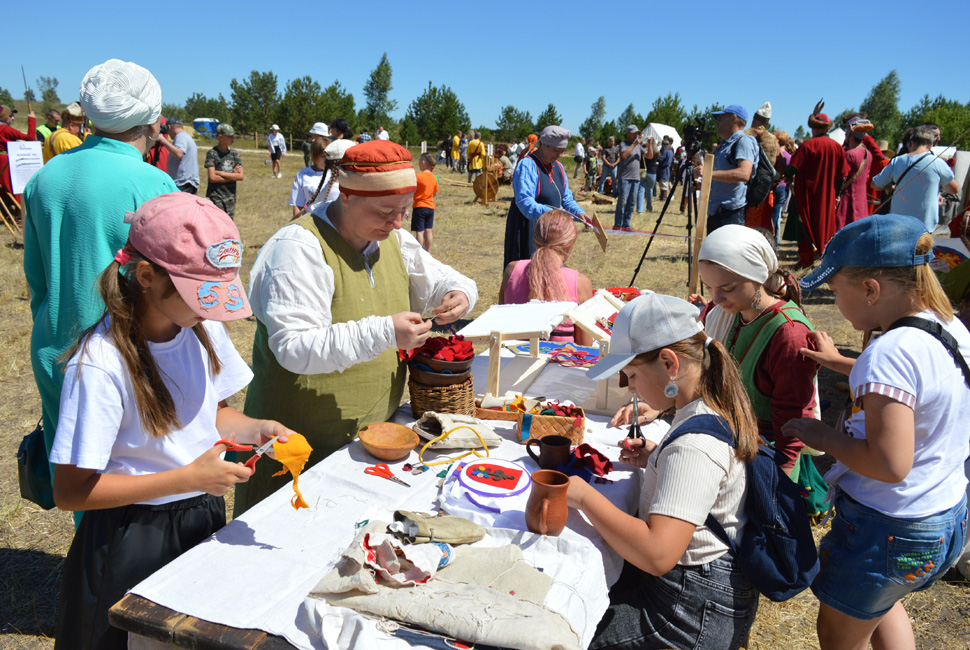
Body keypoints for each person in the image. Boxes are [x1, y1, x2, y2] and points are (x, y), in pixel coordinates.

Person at [50, 192, 296, 650]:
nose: (209, 306)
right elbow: (70, 491)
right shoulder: (101, 364)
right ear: (147, 276)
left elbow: (212, 413)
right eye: (198, 292)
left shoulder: (200, 326)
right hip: (132, 533)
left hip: (201, 516)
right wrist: (186, 478)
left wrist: (254, 427)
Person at [237, 140, 478, 514]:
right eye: (385, 211)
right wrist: (384, 333)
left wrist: (460, 293)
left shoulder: (395, 239)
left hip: (372, 441)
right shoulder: (298, 248)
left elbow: (445, 279)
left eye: (404, 210)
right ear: (346, 195)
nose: (397, 222)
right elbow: (294, 348)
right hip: (298, 445)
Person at [783, 214, 969, 650]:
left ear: (870, 289)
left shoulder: (887, 354)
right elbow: (919, 390)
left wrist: (824, 437)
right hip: (942, 515)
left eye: (835, 291)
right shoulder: (949, 327)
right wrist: (841, 364)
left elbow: (889, 464)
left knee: (839, 635)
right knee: (884, 602)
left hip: (886, 527)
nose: (835, 301)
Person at [23, 59, 178, 509]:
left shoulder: (45, 176)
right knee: (131, 485)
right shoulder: (152, 182)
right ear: (153, 118)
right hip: (124, 354)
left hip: (55, 344)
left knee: (77, 475)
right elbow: (170, 286)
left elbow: (36, 279)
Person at [570, 292, 760, 650]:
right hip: (693, 592)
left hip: (689, 610)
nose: (629, 387)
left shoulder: (694, 447)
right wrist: (657, 458)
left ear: (669, 364)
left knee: (571, 636)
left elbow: (657, 554)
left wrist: (583, 497)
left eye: (631, 375)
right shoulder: (703, 408)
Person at [691, 225, 817, 477]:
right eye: (709, 287)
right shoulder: (730, 312)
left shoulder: (788, 334)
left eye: (727, 288)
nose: (716, 298)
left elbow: (792, 423)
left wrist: (778, 484)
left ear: (758, 276)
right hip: (729, 447)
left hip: (766, 460)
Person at [500, 210, 593, 345]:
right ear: (571, 243)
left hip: (511, 354)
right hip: (561, 356)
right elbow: (585, 346)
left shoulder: (511, 270)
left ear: (535, 238)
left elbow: (500, 323)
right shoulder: (580, 283)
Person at [504, 125, 589, 267]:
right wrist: (553, 215)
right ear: (544, 145)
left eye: (562, 151)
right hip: (528, 227)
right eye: (556, 150)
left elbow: (566, 198)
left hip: (551, 229)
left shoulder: (558, 167)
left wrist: (578, 213)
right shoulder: (527, 165)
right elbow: (525, 202)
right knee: (528, 271)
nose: (560, 155)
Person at [786, 103, 849, 267]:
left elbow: (792, 168)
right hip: (827, 195)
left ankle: (807, 259)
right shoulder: (838, 148)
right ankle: (823, 256)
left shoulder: (808, 145)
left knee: (805, 225)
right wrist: (837, 195)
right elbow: (842, 176)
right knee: (824, 225)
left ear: (814, 128)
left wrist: (786, 175)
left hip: (807, 195)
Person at [873, 125, 958, 233]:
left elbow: (875, 184)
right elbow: (954, 189)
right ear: (930, 145)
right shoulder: (937, 162)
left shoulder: (897, 161)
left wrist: (890, 186)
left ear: (912, 143)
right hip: (924, 224)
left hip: (897, 223)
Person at [707, 105, 758, 233]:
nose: (717, 123)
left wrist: (708, 173)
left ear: (733, 118)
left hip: (730, 214)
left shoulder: (743, 142)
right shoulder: (724, 145)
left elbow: (744, 173)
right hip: (717, 211)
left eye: (720, 118)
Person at [835, 117, 874, 230]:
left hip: (846, 204)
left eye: (847, 132)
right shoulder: (868, 154)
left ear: (851, 136)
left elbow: (840, 178)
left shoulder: (850, 155)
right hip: (861, 204)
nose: (845, 134)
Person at [289, 137, 341, 220]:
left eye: (329, 156)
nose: (327, 160)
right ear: (314, 156)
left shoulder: (337, 174)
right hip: (310, 223)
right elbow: (298, 204)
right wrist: (301, 224)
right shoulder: (303, 174)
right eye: (323, 156)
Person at [205, 123, 244, 219]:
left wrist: (220, 173)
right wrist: (232, 175)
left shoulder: (235, 154)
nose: (232, 138)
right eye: (229, 136)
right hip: (216, 195)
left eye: (233, 135)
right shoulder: (212, 154)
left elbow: (240, 176)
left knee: (229, 223)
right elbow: (212, 178)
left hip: (230, 196)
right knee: (217, 222)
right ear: (220, 137)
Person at [614, 125, 648, 230]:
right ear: (628, 133)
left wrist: (650, 144)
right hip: (625, 178)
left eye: (637, 133)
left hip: (636, 178)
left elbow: (649, 155)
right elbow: (624, 155)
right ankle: (617, 225)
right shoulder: (623, 144)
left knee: (632, 203)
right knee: (622, 202)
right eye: (634, 133)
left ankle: (626, 225)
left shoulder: (639, 146)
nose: (636, 135)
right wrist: (635, 144)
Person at [158, 117, 199, 194]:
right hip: (186, 182)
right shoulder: (185, 136)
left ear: (169, 127)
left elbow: (179, 153)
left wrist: (162, 140)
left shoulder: (180, 136)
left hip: (183, 182)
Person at [412, 152, 439, 252]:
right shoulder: (434, 177)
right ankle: (428, 251)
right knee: (428, 231)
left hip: (419, 206)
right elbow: (435, 193)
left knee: (419, 232)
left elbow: (413, 191)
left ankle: (419, 252)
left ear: (423, 163)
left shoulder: (418, 177)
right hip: (430, 207)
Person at [772, 131, 795, 245]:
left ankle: (773, 241)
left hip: (773, 186)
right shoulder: (789, 156)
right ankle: (776, 242)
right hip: (783, 187)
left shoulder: (773, 154)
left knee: (772, 216)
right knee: (777, 215)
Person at [638, 139, 659, 212]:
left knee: (641, 190)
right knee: (649, 190)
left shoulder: (643, 151)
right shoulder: (656, 153)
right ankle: (649, 207)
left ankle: (640, 209)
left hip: (642, 171)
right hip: (652, 172)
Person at [655, 136, 675, 201]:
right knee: (665, 182)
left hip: (663, 168)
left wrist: (656, 158)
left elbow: (661, 159)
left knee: (663, 183)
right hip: (667, 168)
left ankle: (663, 197)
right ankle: (663, 197)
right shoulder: (671, 151)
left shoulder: (665, 151)